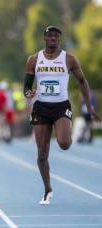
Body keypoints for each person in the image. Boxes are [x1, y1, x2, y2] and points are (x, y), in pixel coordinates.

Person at [24, 26, 100, 205]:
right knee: (42, 154)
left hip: (61, 107)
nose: (53, 39)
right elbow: (26, 86)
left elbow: (82, 81)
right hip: (41, 107)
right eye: (50, 36)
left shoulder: (69, 59)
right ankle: (47, 189)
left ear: (59, 39)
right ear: (44, 38)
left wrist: (89, 106)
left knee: (64, 143)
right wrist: (28, 93)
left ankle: (66, 129)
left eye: (56, 36)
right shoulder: (34, 59)